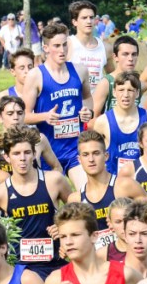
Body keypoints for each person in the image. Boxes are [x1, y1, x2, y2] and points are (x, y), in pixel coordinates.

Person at [0, 126, 73, 277]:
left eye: (27, 152)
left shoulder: (54, 180)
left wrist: (64, 228)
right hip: (21, 269)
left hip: (56, 263)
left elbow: (78, 215)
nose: (22, 158)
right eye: (16, 153)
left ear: (34, 154)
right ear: (7, 157)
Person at [22, 23, 93, 188]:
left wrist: (87, 111)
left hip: (75, 149)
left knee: (86, 191)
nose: (62, 50)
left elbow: (88, 98)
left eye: (64, 45)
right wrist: (45, 116)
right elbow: (24, 116)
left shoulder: (80, 71)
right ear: (46, 48)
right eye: (56, 46)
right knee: (51, 200)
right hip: (48, 150)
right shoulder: (36, 75)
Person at [70, 130, 147, 248]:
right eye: (85, 155)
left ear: (106, 156)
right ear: (79, 159)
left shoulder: (125, 186)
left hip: (128, 258)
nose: (91, 159)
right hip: (98, 262)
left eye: (96, 153)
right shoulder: (75, 200)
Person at [94, 71, 147, 177]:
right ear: (114, 92)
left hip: (142, 181)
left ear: (137, 93)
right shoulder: (102, 122)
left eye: (130, 90)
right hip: (113, 181)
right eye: (121, 90)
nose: (125, 95)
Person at [0, 94, 62, 173]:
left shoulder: (38, 139)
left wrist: (46, 182)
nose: (16, 117)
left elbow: (57, 168)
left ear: (24, 115)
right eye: (10, 113)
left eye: (20, 113)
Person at [67, 0, 107, 89]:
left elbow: (113, 76)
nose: (89, 21)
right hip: (74, 100)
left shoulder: (105, 47)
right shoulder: (67, 44)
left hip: (96, 101)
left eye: (91, 17)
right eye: (84, 18)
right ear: (74, 22)